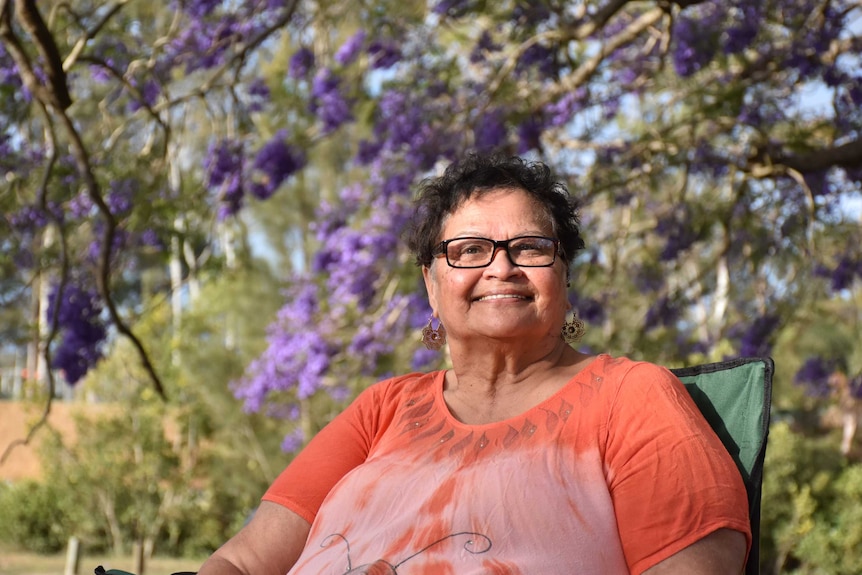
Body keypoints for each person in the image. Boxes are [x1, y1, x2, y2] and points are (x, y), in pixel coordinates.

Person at [198, 153, 750, 575]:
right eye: (468, 250)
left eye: (531, 247)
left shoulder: (631, 398)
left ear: (564, 275)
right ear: (432, 286)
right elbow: (243, 563)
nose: (502, 267)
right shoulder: (381, 410)